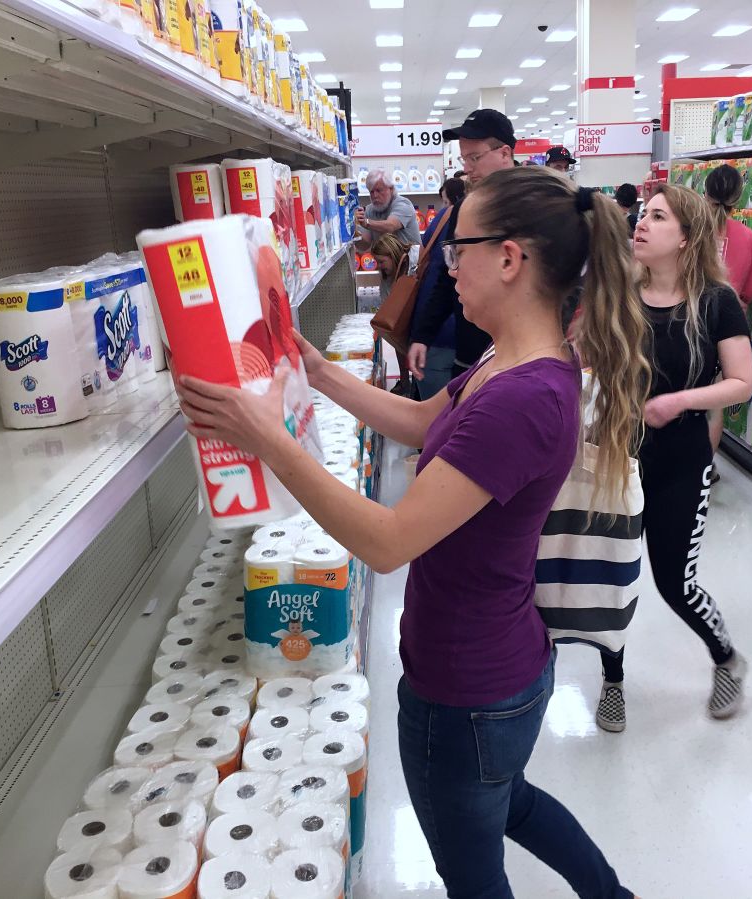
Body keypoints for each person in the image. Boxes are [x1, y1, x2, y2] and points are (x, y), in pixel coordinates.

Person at [175, 166, 649, 898]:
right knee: (510, 799)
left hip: (466, 693)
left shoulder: (520, 397)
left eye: (458, 249)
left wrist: (270, 441)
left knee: (471, 871)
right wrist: (320, 373)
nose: (447, 266)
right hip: (507, 664)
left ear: (511, 258)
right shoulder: (513, 361)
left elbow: (389, 541)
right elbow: (426, 421)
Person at [594, 183, 752, 733]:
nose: (640, 224)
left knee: (674, 582)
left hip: (682, 458)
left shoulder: (716, 301)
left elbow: (742, 381)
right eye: (642, 215)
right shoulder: (617, 294)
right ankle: (612, 681)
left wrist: (679, 401)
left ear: (686, 238)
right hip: (617, 455)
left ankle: (727, 658)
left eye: (657, 217)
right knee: (609, 580)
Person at [407, 109, 516, 391]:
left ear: (505, 153)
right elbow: (447, 277)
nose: (467, 168)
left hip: (520, 362)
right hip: (469, 359)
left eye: (474, 157)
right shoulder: (465, 210)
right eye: (463, 158)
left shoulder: (536, 206)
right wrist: (423, 336)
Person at [703, 163, 752, 456]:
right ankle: (706, 468)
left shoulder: (690, 231)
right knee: (713, 404)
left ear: (704, 193)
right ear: (738, 199)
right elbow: (748, 292)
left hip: (686, 318)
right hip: (725, 327)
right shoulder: (750, 238)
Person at [412, 176, 466, 400]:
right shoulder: (466, 215)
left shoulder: (444, 216)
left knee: (438, 422)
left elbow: (425, 255)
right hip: (455, 333)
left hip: (434, 331)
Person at [355, 169, 422, 251]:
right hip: (386, 263)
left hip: (410, 262)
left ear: (391, 189)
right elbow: (364, 246)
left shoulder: (403, 204)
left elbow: (390, 226)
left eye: (379, 190)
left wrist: (366, 222)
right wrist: (353, 229)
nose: (375, 195)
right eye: (371, 192)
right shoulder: (369, 210)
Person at [370, 233, 418, 303]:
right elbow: (386, 305)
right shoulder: (386, 278)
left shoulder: (416, 255)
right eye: (377, 262)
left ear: (393, 255)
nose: (378, 266)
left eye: (381, 262)